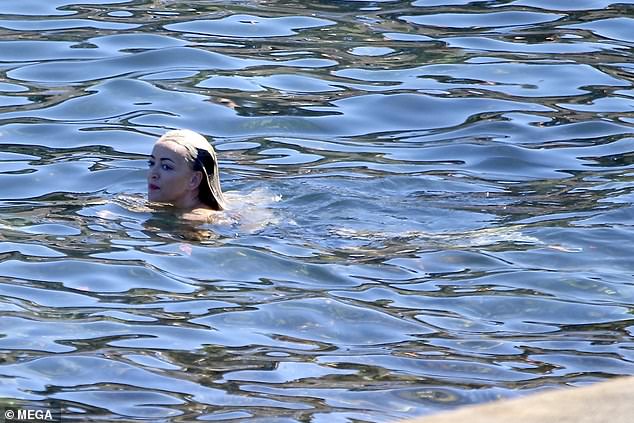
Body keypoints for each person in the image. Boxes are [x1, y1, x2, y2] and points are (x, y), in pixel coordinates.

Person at [147, 129, 227, 221]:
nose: (153, 174)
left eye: (166, 167)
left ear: (194, 180)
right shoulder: (175, 207)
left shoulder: (194, 221)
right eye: (151, 163)